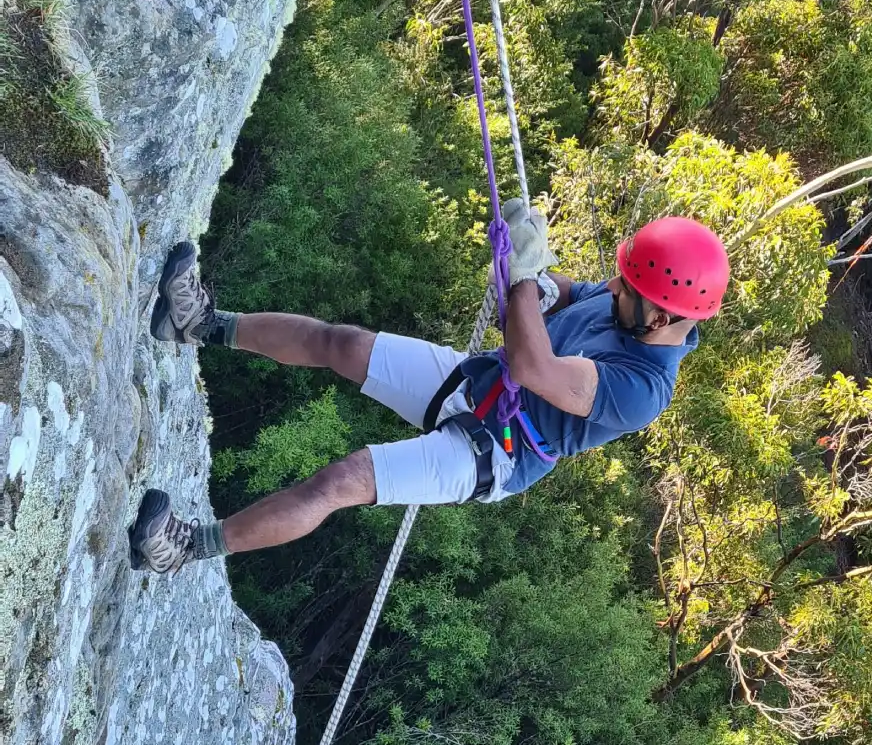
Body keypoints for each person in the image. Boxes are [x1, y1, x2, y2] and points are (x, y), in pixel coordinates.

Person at [128, 204, 730, 573]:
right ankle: (200, 325)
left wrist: (522, 282)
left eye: (629, 290)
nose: (616, 289)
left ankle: (184, 549)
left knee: (340, 481)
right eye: (622, 280)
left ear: (663, 317)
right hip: (477, 383)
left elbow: (534, 368)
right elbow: (568, 293)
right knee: (342, 343)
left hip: (491, 453)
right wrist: (536, 272)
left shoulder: (644, 387)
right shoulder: (630, 300)